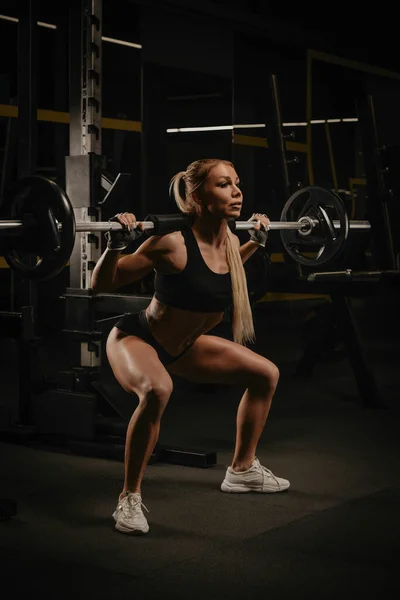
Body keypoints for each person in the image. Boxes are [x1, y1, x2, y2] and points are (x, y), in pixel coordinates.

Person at [91, 158, 290, 535]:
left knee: (266, 374)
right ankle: (129, 498)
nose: (236, 192)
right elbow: (103, 284)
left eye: (237, 183)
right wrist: (115, 246)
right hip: (137, 338)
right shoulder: (171, 242)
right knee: (157, 390)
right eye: (223, 185)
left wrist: (254, 245)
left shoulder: (231, 241)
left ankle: (242, 470)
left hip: (184, 346)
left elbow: (219, 275)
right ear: (197, 197)